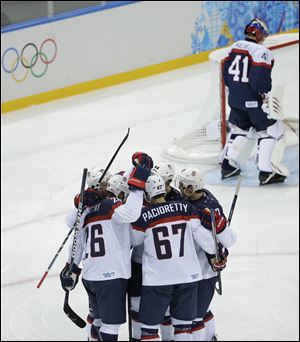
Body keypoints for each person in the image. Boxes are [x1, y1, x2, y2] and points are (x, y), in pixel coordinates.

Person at [60, 155, 152, 341]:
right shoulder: (112, 206)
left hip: (91, 275)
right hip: (112, 277)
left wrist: (72, 267)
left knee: (98, 320)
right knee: (110, 326)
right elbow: (132, 214)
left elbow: (76, 239)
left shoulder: (87, 210)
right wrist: (137, 188)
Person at [131, 174, 218, 341]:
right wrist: (215, 255)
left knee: (149, 330)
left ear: (147, 194)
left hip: (158, 279)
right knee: (183, 327)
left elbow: (133, 240)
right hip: (187, 277)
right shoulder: (185, 208)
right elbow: (203, 237)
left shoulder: (144, 215)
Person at [220, 18, 288, 185]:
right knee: (272, 130)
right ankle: (267, 172)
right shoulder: (262, 52)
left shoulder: (232, 47)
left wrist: (236, 92)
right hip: (252, 99)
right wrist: (263, 93)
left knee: (242, 129)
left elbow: (225, 73)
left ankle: (229, 167)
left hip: (235, 98)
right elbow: (259, 80)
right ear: (260, 34)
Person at [176, 167, 236, 341]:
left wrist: (219, 254)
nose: (179, 188)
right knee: (199, 311)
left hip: (204, 272)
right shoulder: (196, 196)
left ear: (192, 188)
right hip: (191, 267)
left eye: (183, 185)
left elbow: (228, 241)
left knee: (194, 317)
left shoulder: (208, 209)